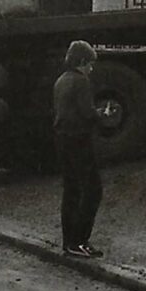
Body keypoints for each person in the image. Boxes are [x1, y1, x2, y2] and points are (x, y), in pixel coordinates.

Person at [53, 40, 104, 258]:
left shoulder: (61, 81)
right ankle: (81, 240)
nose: (91, 69)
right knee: (93, 190)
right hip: (79, 139)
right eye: (90, 64)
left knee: (71, 190)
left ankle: (69, 242)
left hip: (62, 139)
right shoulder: (81, 81)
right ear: (82, 61)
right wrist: (102, 114)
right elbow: (87, 112)